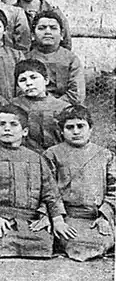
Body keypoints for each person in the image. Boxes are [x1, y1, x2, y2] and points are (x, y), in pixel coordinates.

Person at [0, 104, 68, 258]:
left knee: (44, 243)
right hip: (0, 218)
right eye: (2, 124)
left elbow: (50, 193)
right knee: (1, 241)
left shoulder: (37, 159)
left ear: (25, 131)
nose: (7, 128)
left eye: (13, 124)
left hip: (30, 220)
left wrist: (54, 218)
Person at [43, 105, 116, 261]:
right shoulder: (52, 154)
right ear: (61, 131)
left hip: (97, 216)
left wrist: (105, 216)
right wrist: (57, 218)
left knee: (105, 239)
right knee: (79, 243)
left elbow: (114, 188)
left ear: (90, 129)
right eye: (70, 127)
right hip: (68, 216)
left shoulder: (105, 155)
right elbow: (47, 189)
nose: (76, 131)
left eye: (80, 126)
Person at [10, 59, 69, 153]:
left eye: (33, 77)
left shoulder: (62, 107)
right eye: (22, 80)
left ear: (46, 80)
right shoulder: (14, 105)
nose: (29, 83)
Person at [26, 11, 84, 105]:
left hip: (64, 108)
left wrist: (52, 105)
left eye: (53, 28)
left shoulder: (71, 59)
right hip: (32, 106)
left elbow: (76, 93)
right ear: (33, 35)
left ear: (61, 35)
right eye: (42, 28)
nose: (48, 32)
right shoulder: (26, 58)